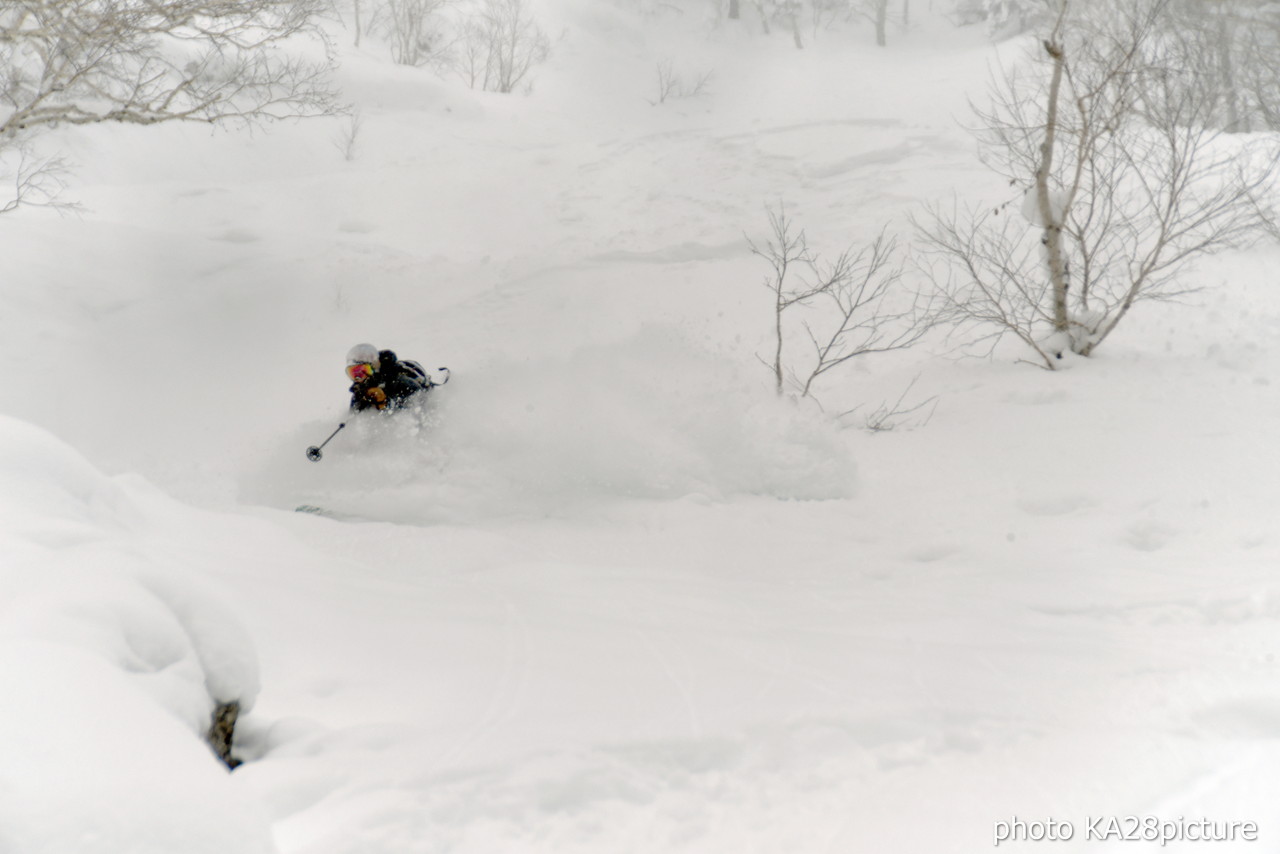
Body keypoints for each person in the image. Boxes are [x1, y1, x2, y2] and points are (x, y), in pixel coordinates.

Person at [346, 343, 431, 412]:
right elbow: (355, 415)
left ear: (375, 368)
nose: (359, 378)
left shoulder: (399, 381)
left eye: (364, 370)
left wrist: (386, 403)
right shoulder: (360, 393)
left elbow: (418, 404)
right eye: (353, 373)